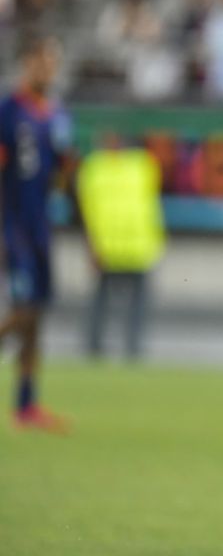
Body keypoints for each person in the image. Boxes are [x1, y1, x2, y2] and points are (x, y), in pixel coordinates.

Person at [0, 36, 72, 432]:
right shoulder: (9, 111)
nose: (48, 70)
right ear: (27, 64)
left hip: (41, 226)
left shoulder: (57, 115)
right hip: (14, 226)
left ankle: (26, 405)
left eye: (52, 62)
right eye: (41, 62)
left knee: (36, 316)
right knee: (23, 310)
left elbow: (62, 172)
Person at [76, 131, 165, 360]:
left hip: (133, 246)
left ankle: (130, 347)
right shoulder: (135, 166)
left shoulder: (134, 166)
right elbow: (87, 210)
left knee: (129, 301)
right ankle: (95, 346)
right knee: (106, 300)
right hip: (114, 246)